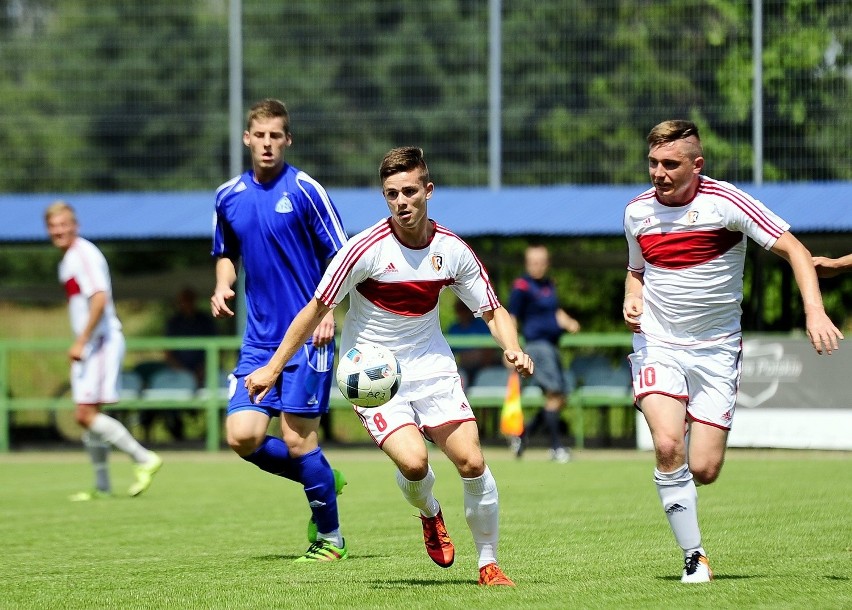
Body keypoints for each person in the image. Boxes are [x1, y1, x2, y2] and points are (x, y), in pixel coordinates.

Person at [245, 146, 533, 586]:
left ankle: (489, 564)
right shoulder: (364, 249)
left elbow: (492, 310)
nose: (402, 201)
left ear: (428, 190)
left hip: (432, 365)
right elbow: (314, 309)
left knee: (472, 462)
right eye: (392, 193)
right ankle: (430, 511)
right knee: (415, 464)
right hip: (372, 373)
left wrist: (512, 347)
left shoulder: (452, 250)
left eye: (410, 191)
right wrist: (272, 367)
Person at [622, 120, 843, 583]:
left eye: (670, 164)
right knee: (666, 445)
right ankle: (694, 556)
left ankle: (690, 484)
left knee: (703, 468)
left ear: (696, 166)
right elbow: (636, 269)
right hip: (658, 342)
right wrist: (633, 293)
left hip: (717, 350)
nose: (658, 173)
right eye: (652, 163)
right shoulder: (636, 213)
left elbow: (796, 251)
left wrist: (815, 311)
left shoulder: (726, 202)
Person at [210, 98, 349, 562]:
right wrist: (223, 285)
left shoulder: (307, 189)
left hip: (311, 336)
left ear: (287, 140)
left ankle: (331, 540)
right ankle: (323, 478)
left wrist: (328, 309)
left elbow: (342, 257)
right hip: (258, 340)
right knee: (242, 436)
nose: (267, 144)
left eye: (276, 136)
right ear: (247, 138)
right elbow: (226, 251)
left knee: (296, 439)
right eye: (260, 135)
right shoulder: (227, 196)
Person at [45, 201, 163, 501]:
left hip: (100, 341)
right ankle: (102, 486)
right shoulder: (69, 258)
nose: (59, 231)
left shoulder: (82, 254)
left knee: (84, 414)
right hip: (93, 342)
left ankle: (144, 458)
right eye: (53, 226)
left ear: (75, 226)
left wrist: (82, 339)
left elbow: (99, 299)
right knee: (88, 413)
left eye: (64, 224)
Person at [507, 244, 580, 463]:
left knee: (560, 396)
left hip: (552, 346)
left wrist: (568, 322)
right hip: (538, 347)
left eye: (540, 262)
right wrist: (511, 348)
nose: (536, 266)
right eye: (532, 262)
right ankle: (556, 447)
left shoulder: (549, 284)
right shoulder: (522, 287)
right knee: (554, 394)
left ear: (547, 263)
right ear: (527, 264)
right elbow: (512, 317)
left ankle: (523, 435)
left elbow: (554, 311)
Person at [447, 298, 502, 385]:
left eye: (465, 309)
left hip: (483, 367)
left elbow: (490, 349)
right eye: (460, 309)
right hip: (462, 368)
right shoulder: (454, 328)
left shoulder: (481, 325)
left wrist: (484, 364)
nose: (463, 312)